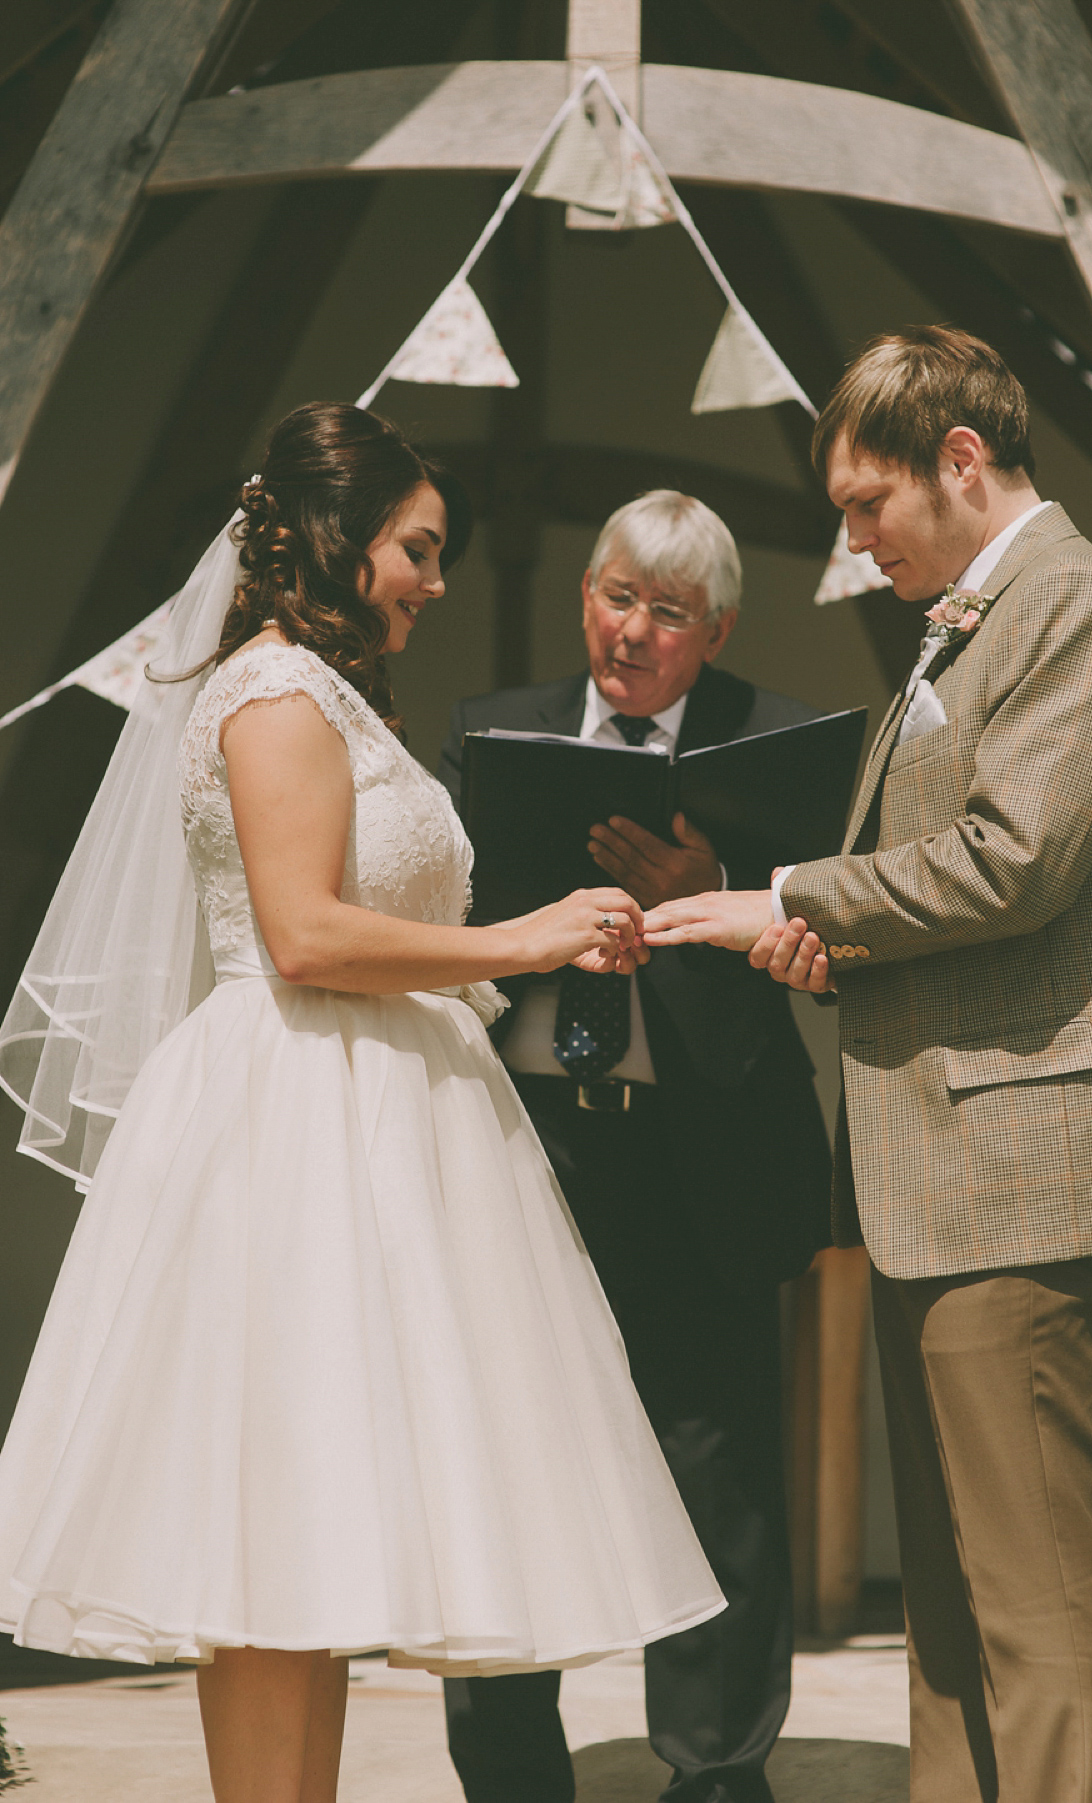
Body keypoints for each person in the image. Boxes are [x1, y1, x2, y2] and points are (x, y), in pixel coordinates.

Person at [0, 405, 725, 1803]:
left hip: (375, 1125)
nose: (435, 581)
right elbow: (304, 937)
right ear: (337, 539)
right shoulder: (273, 695)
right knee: (268, 1547)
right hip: (291, 1136)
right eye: (418, 548)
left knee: (319, 1564)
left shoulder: (339, 700)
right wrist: (529, 939)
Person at [641, 327, 1092, 1803]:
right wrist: (834, 951)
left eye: (865, 503)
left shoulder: (1079, 602)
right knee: (952, 1613)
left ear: (963, 461)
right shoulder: (968, 618)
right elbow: (960, 891)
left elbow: (1015, 861)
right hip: (939, 1170)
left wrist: (796, 898)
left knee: (1042, 1603)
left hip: (1022, 1166)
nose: (852, 540)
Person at [436, 490, 832, 1803]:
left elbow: (817, 976)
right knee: (504, 1467)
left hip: (695, 1147)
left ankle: (717, 1775)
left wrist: (704, 908)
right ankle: (507, 1772)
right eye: (617, 596)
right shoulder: (499, 734)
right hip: (531, 1148)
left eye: (668, 613)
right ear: (584, 594)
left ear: (713, 630)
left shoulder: (770, 749)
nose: (634, 632)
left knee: (715, 1471)